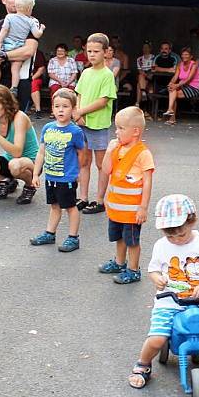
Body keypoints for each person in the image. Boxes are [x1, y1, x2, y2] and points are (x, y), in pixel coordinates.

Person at [127, 193, 199, 389]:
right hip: (169, 303)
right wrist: (157, 279)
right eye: (170, 236)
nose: (175, 240)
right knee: (157, 339)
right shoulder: (161, 245)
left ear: (192, 221)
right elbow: (154, 268)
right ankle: (143, 365)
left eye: (181, 234)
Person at [98, 107, 155, 284]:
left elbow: (147, 182)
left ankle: (133, 269)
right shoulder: (117, 149)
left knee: (132, 241)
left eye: (121, 128)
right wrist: (108, 151)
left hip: (132, 211)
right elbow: (106, 170)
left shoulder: (143, 153)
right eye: (117, 128)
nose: (116, 132)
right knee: (119, 237)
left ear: (135, 131)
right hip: (115, 207)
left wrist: (143, 207)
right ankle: (119, 262)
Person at [29, 88, 86, 253]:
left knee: (70, 207)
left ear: (73, 109)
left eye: (65, 106)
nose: (61, 110)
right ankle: (50, 233)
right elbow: (41, 152)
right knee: (54, 206)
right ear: (52, 108)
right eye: (57, 106)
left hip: (66, 178)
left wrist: (77, 173)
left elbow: (82, 154)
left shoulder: (75, 131)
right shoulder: (48, 128)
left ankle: (73, 237)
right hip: (51, 176)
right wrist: (35, 173)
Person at [74, 33, 117, 215]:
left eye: (96, 51)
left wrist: (82, 111)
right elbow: (79, 94)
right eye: (89, 51)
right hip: (82, 123)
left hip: (98, 125)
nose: (92, 55)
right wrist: (77, 112)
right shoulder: (85, 72)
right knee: (84, 161)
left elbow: (103, 100)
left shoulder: (107, 74)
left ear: (106, 52)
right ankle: (83, 197)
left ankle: (99, 200)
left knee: (101, 164)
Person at [0, 0, 38, 91]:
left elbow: (28, 51)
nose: (16, 2)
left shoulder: (31, 22)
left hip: (20, 80)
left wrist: (3, 56)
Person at [0, 0, 45, 93]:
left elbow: (4, 31)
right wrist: (42, 28)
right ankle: (14, 87)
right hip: (19, 46)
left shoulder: (9, 17)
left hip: (7, 44)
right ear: (29, 9)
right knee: (16, 68)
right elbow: (37, 34)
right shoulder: (31, 21)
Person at [163, 47, 199, 126]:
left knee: (174, 92)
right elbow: (175, 77)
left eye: (186, 54)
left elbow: (188, 79)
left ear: (191, 56)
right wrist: (171, 83)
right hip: (182, 86)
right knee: (172, 90)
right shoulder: (179, 65)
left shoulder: (194, 65)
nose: (184, 56)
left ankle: (171, 115)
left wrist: (176, 85)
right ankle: (171, 113)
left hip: (193, 88)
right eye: (183, 54)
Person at [135, 41, 156, 108]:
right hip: (143, 76)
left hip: (151, 77)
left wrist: (148, 74)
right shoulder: (139, 59)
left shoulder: (154, 58)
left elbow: (154, 69)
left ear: (150, 49)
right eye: (144, 47)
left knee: (139, 84)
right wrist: (144, 74)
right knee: (140, 80)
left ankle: (137, 103)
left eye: (147, 47)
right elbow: (140, 70)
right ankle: (143, 93)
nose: (145, 49)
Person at [27, 49, 47, 118]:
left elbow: (41, 69)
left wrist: (31, 79)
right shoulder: (21, 52)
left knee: (33, 84)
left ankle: (38, 110)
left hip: (35, 78)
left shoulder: (38, 53)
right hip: (22, 77)